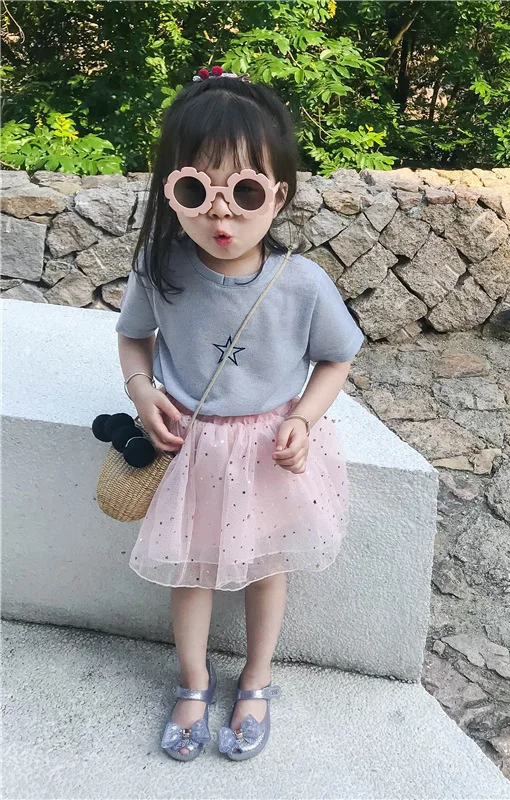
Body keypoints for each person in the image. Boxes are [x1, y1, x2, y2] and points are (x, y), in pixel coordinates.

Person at [115, 65, 364, 762]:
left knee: (265, 569)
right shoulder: (161, 267)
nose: (220, 216)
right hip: (190, 448)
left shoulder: (301, 284)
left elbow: (336, 358)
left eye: (245, 193)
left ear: (277, 194)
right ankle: (193, 681)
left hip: (265, 455)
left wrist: (304, 418)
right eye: (196, 192)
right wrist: (141, 389)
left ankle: (256, 679)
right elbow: (132, 335)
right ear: (170, 191)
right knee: (190, 570)